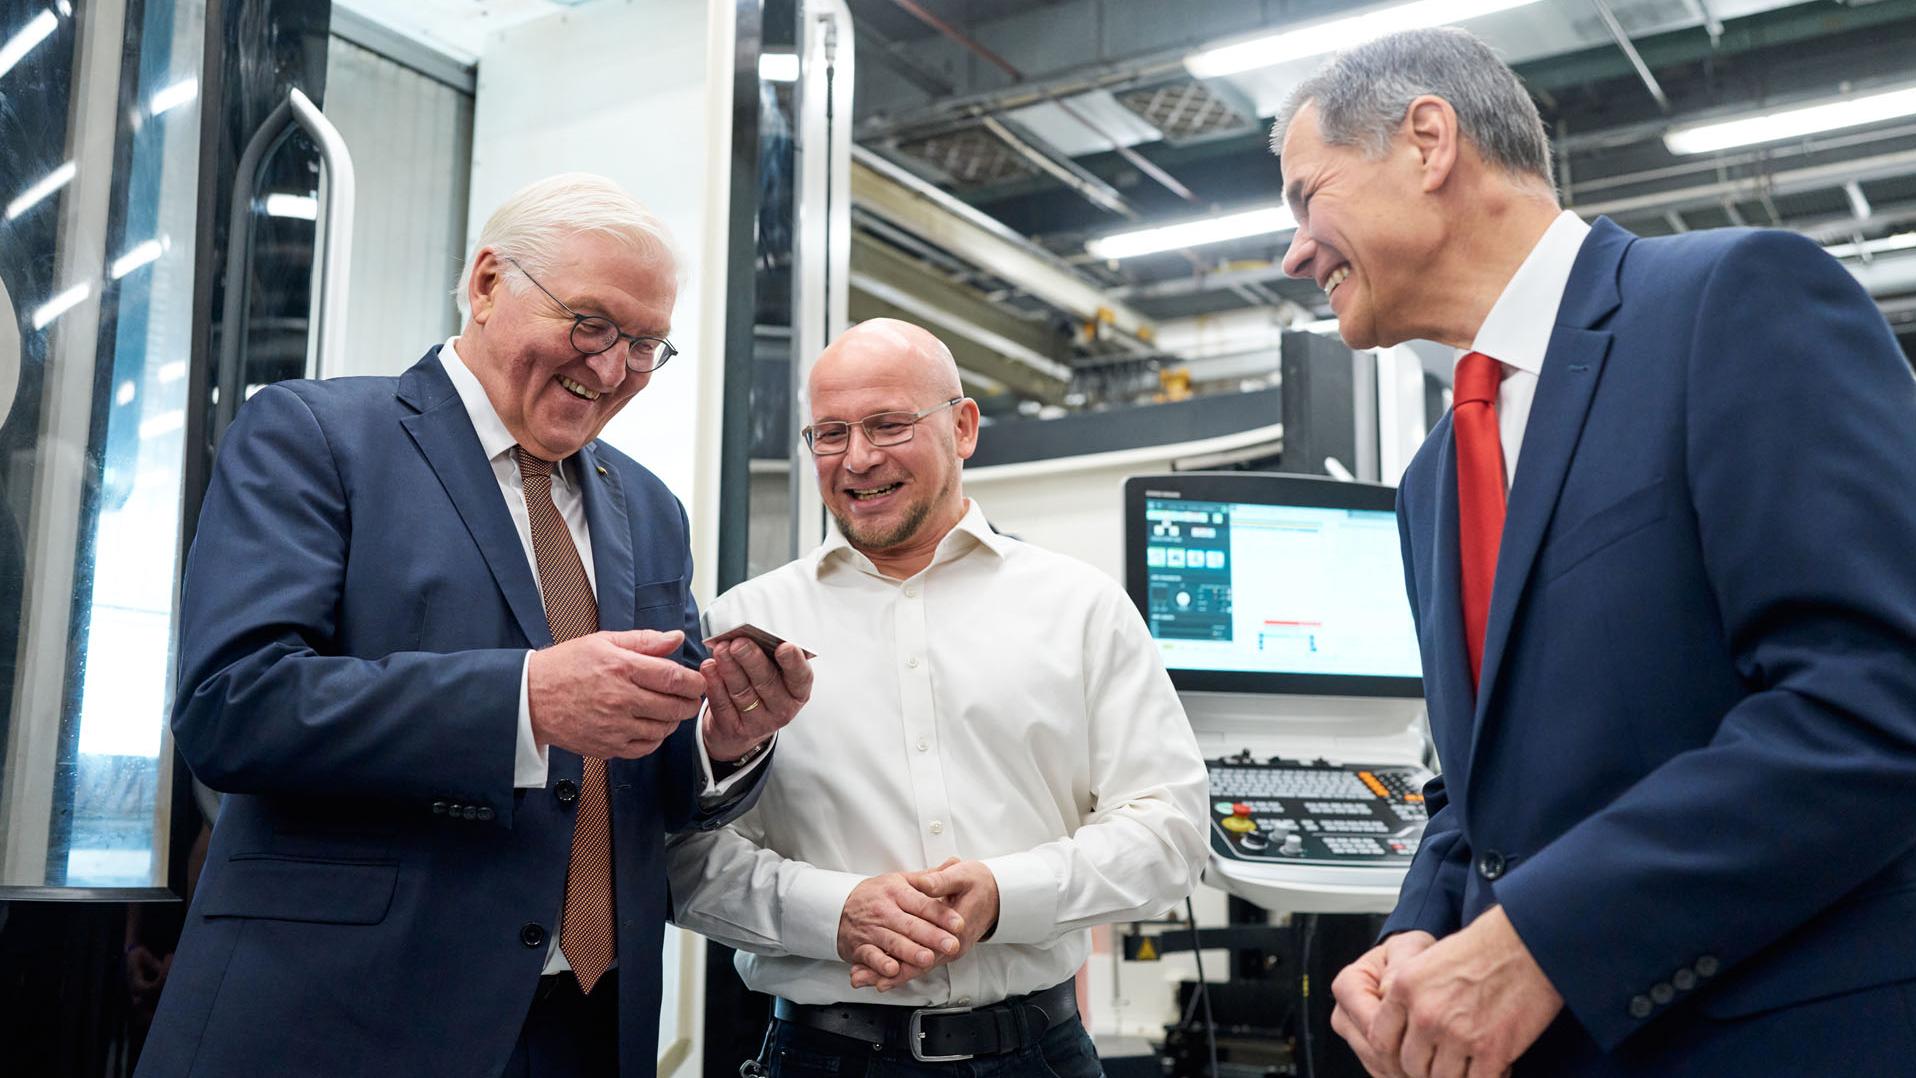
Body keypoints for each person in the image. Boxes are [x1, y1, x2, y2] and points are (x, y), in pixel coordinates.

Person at [1268, 26, 1916, 1078]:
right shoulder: (1433, 477)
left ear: (1425, 143)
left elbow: (1877, 692)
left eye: (1306, 199)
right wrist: (1410, 934)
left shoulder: (1733, 300)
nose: (1294, 252)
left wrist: (1540, 942)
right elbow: (1475, 797)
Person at [138, 174, 809, 1078]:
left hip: (587, 1025)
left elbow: (648, 783)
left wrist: (721, 740)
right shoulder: (317, 435)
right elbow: (233, 707)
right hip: (343, 1018)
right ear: (489, 284)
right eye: (592, 325)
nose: (612, 370)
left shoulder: (651, 509)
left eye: (646, 344)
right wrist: (523, 701)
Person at [666, 318, 1209, 1076]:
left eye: (889, 425)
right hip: (823, 1057)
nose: (858, 458)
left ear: (963, 427)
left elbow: (1172, 831)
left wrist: (1002, 894)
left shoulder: (1080, 607)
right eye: (830, 433)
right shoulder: (741, 630)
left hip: (1037, 1055)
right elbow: (680, 857)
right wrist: (835, 912)